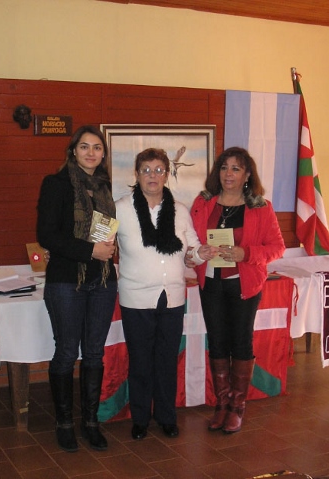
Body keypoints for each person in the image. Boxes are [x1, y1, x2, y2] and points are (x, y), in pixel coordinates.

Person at [115, 148, 213, 440]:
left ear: (167, 174)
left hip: (172, 297)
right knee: (141, 360)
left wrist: (199, 253)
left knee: (167, 360)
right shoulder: (119, 207)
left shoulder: (180, 211)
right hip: (135, 298)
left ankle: (167, 417)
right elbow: (98, 240)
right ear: (136, 174)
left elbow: (191, 251)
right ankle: (141, 419)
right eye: (146, 170)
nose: (152, 176)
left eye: (159, 170)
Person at [190, 146, 285, 434]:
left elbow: (277, 248)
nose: (228, 174)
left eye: (235, 168)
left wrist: (246, 254)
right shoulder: (203, 203)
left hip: (244, 286)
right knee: (217, 343)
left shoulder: (261, 207)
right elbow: (189, 238)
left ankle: (237, 406)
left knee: (240, 343)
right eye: (224, 168)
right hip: (211, 283)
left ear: (247, 175)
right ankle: (221, 403)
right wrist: (196, 252)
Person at [37, 125, 118, 452]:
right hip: (66, 280)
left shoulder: (106, 187)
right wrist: (90, 252)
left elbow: (110, 232)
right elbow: (47, 235)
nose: (90, 153)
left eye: (97, 147)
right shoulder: (55, 184)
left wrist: (108, 252)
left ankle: (91, 422)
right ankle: (65, 422)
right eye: (84, 147)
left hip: (102, 280)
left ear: (103, 154)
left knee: (95, 353)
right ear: (73, 151)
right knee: (68, 351)